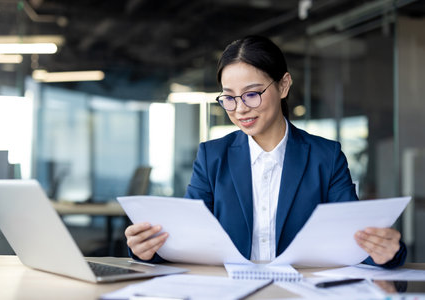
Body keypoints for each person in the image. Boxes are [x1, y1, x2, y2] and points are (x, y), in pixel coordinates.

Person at [125, 35, 406, 268]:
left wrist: (386, 252)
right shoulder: (213, 157)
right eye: (229, 98)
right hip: (229, 291)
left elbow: (355, 242)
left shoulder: (326, 156)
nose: (241, 108)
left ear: (283, 85)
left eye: (252, 93)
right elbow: (187, 238)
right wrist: (148, 249)